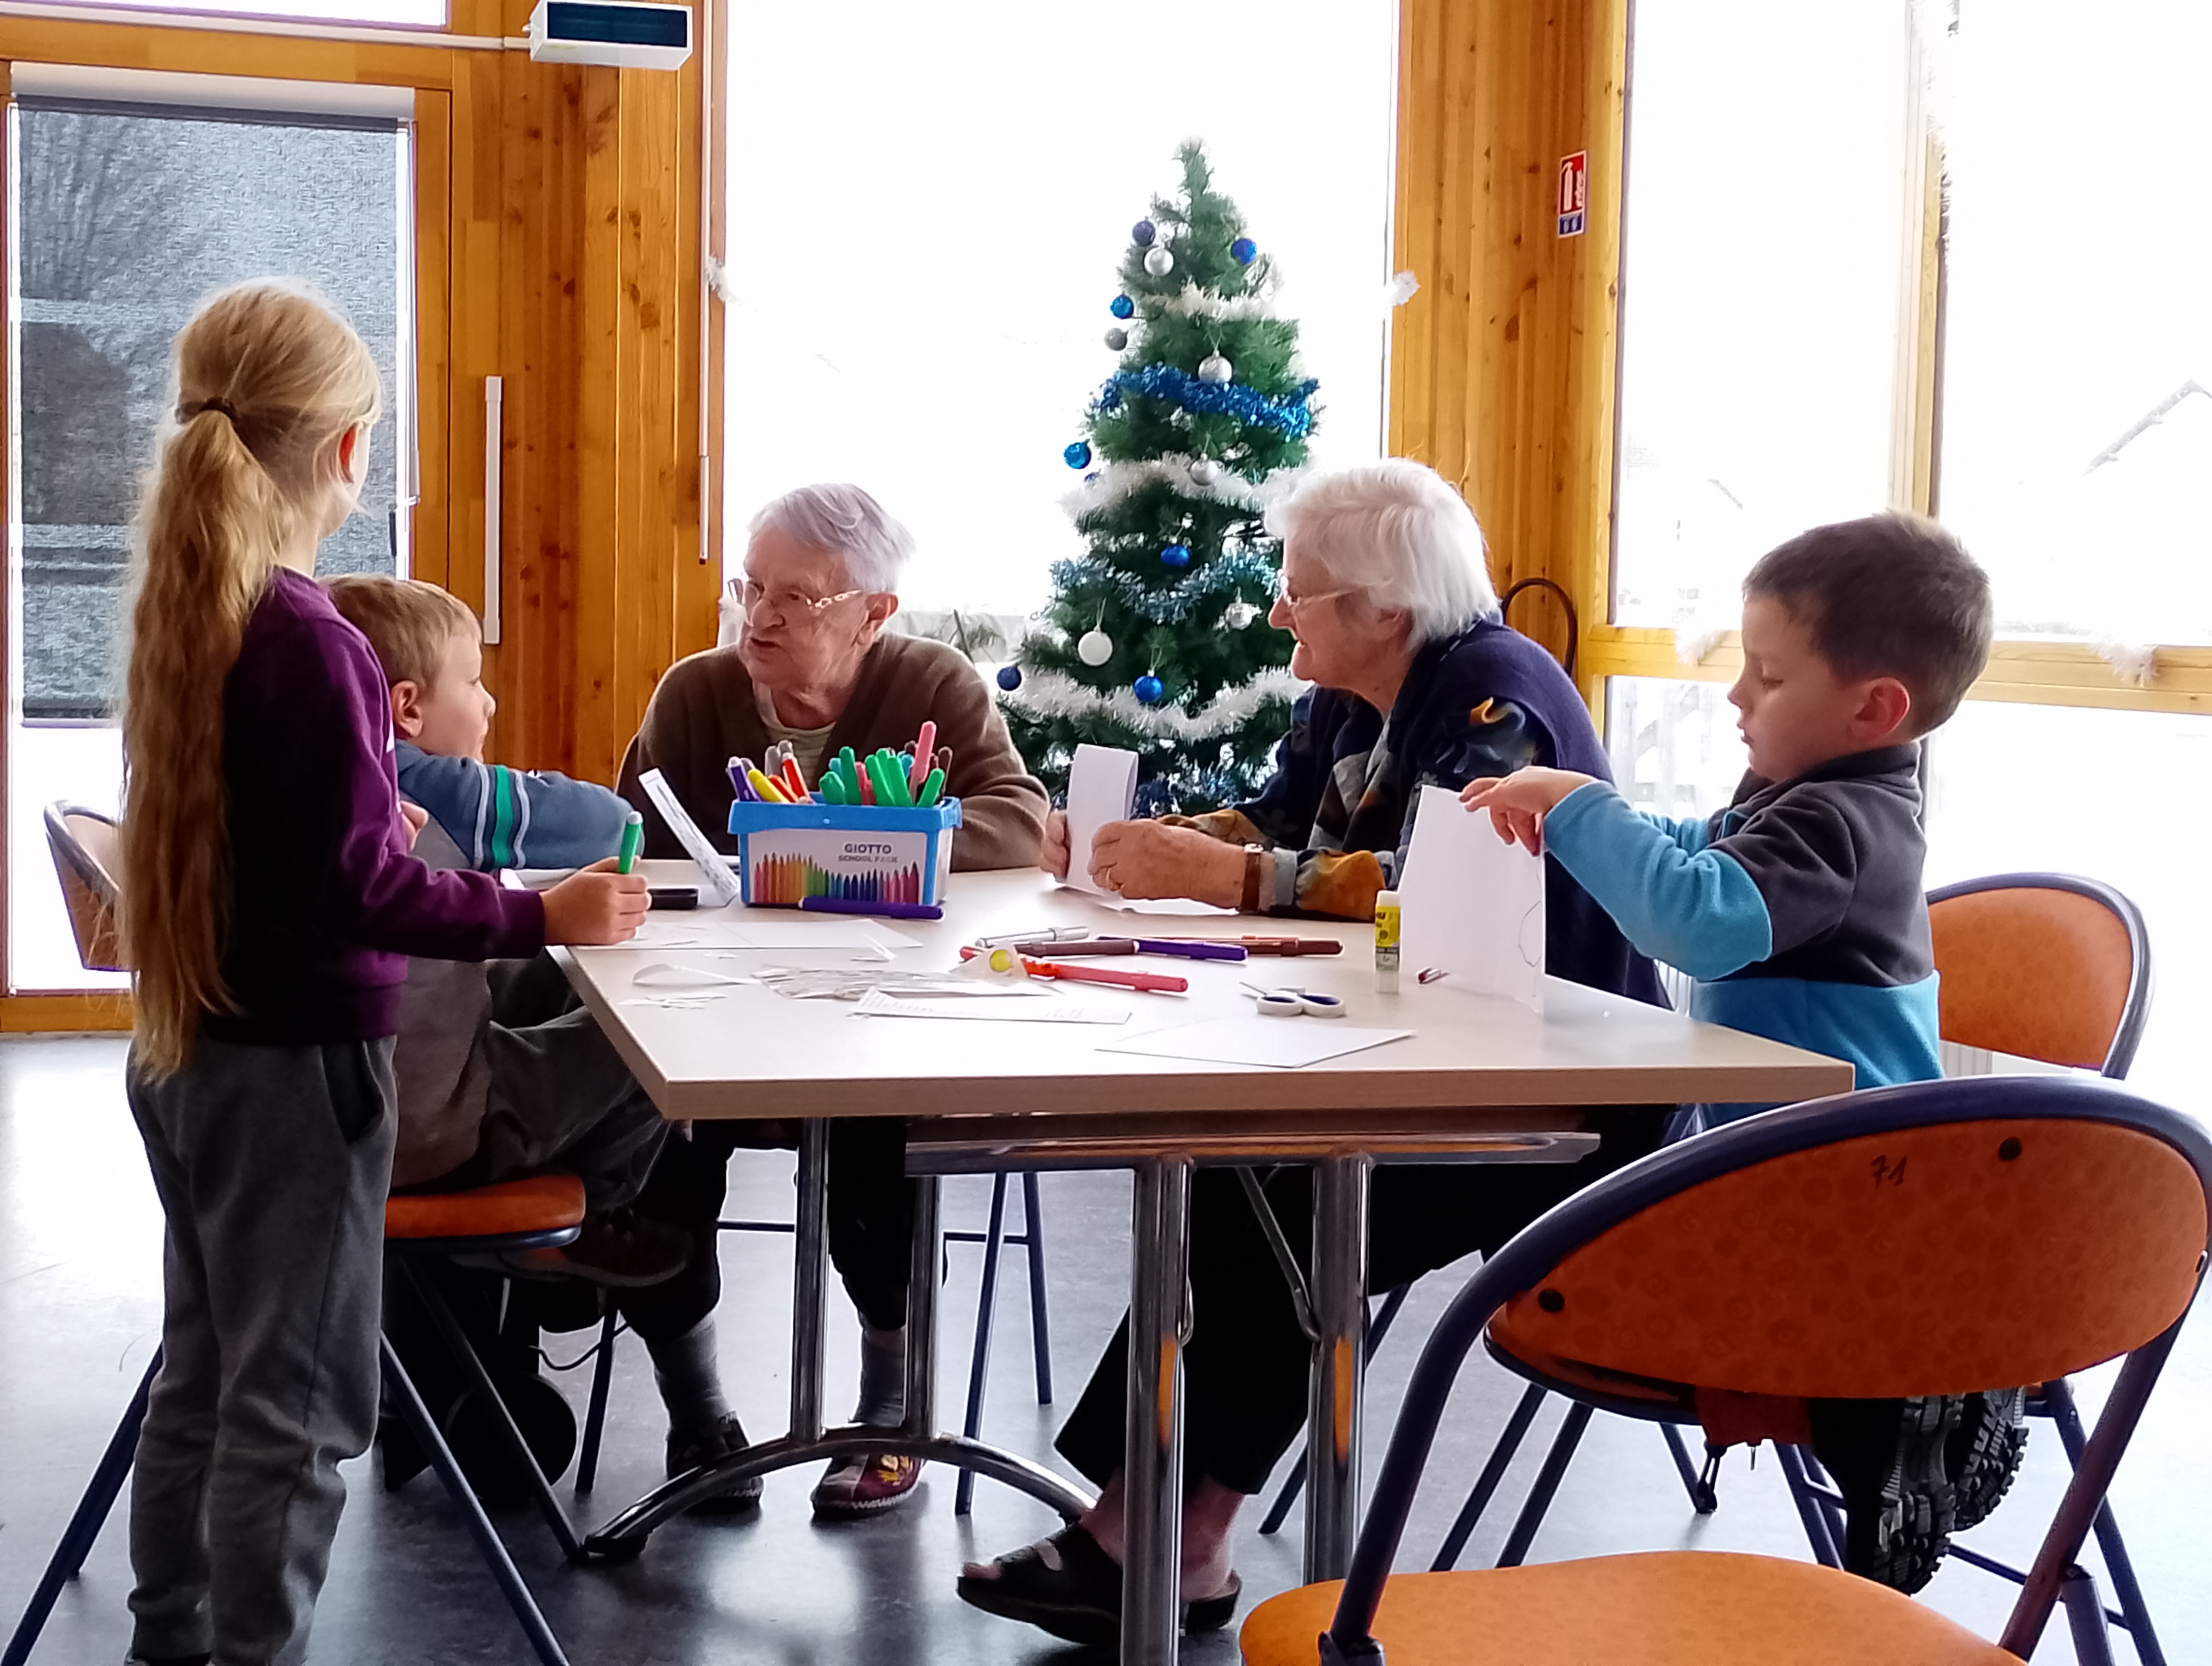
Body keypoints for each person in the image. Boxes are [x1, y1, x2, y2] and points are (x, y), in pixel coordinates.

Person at [960, 458, 1666, 1646]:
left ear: (1384, 609)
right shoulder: (1355, 696)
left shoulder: (1495, 700)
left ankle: (1163, 1538)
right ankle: (1155, 1531)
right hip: (1436, 1056)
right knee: (1234, 1175)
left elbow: (1439, 879)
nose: (1281, 612)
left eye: (1301, 591)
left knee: (1276, 1204)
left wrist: (1229, 876)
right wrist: (1144, 843)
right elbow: (1284, 819)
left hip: (1565, 1101)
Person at [115, 281, 645, 1666]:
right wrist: (541, 915)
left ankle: (169, 1645)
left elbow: (294, 854)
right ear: (350, 451)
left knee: (206, 1382)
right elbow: (359, 894)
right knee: (294, 1419)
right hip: (297, 1074)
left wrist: (374, 834)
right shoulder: (312, 639)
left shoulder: (205, 613)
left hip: (197, 1052)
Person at [1462, 510, 1999, 1588]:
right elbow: (1696, 850)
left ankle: (1907, 1414)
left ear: (1873, 709)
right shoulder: (1807, 803)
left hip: (1855, 1203)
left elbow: (1696, 919)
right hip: (1792, 1174)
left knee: (1540, 1212)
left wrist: (1581, 807)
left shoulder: (1843, 827)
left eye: (1770, 674)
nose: (1737, 696)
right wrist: (1587, 821)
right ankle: (1901, 1414)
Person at [618, 482, 1048, 1517]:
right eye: (752, 588)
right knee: (650, 1149)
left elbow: (1020, 822)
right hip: (715, 1006)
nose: (759, 617)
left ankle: (891, 1410)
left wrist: (865, 842)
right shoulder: (696, 694)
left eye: (796, 598)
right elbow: (635, 846)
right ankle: (699, 1413)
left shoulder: (931, 683)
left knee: (878, 1152)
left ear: (873, 613)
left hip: (877, 1010)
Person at [324, 574, 684, 1287]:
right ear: (408, 708)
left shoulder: (313, 783)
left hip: (336, 1115)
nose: (488, 703)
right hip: (430, 1134)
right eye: (473, 682)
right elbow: (616, 822)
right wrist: (553, 913)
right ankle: (575, 1216)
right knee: (659, 1029)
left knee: (548, 984)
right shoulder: (431, 790)